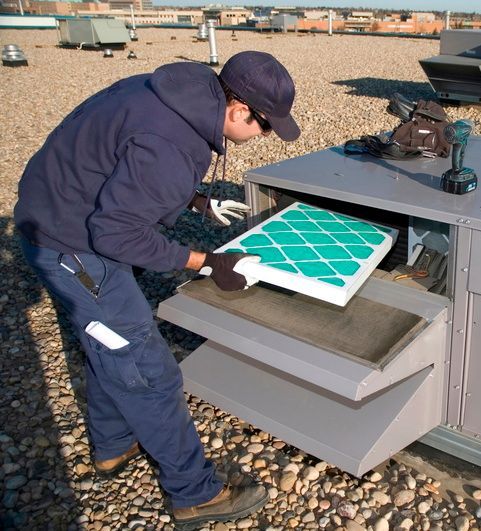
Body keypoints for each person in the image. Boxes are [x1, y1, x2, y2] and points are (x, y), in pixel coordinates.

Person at [14, 51, 300, 527]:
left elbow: (122, 159)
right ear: (237, 110)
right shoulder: (171, 145)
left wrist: (192, 199)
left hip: (53, 211)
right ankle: (194, 493)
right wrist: (209, 262)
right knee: (149, 371)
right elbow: (117, 235)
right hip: (75, 250)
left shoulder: (163, 91)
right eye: (266, 126)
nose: (264, 137)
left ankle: (111, 446)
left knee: (110, 345)